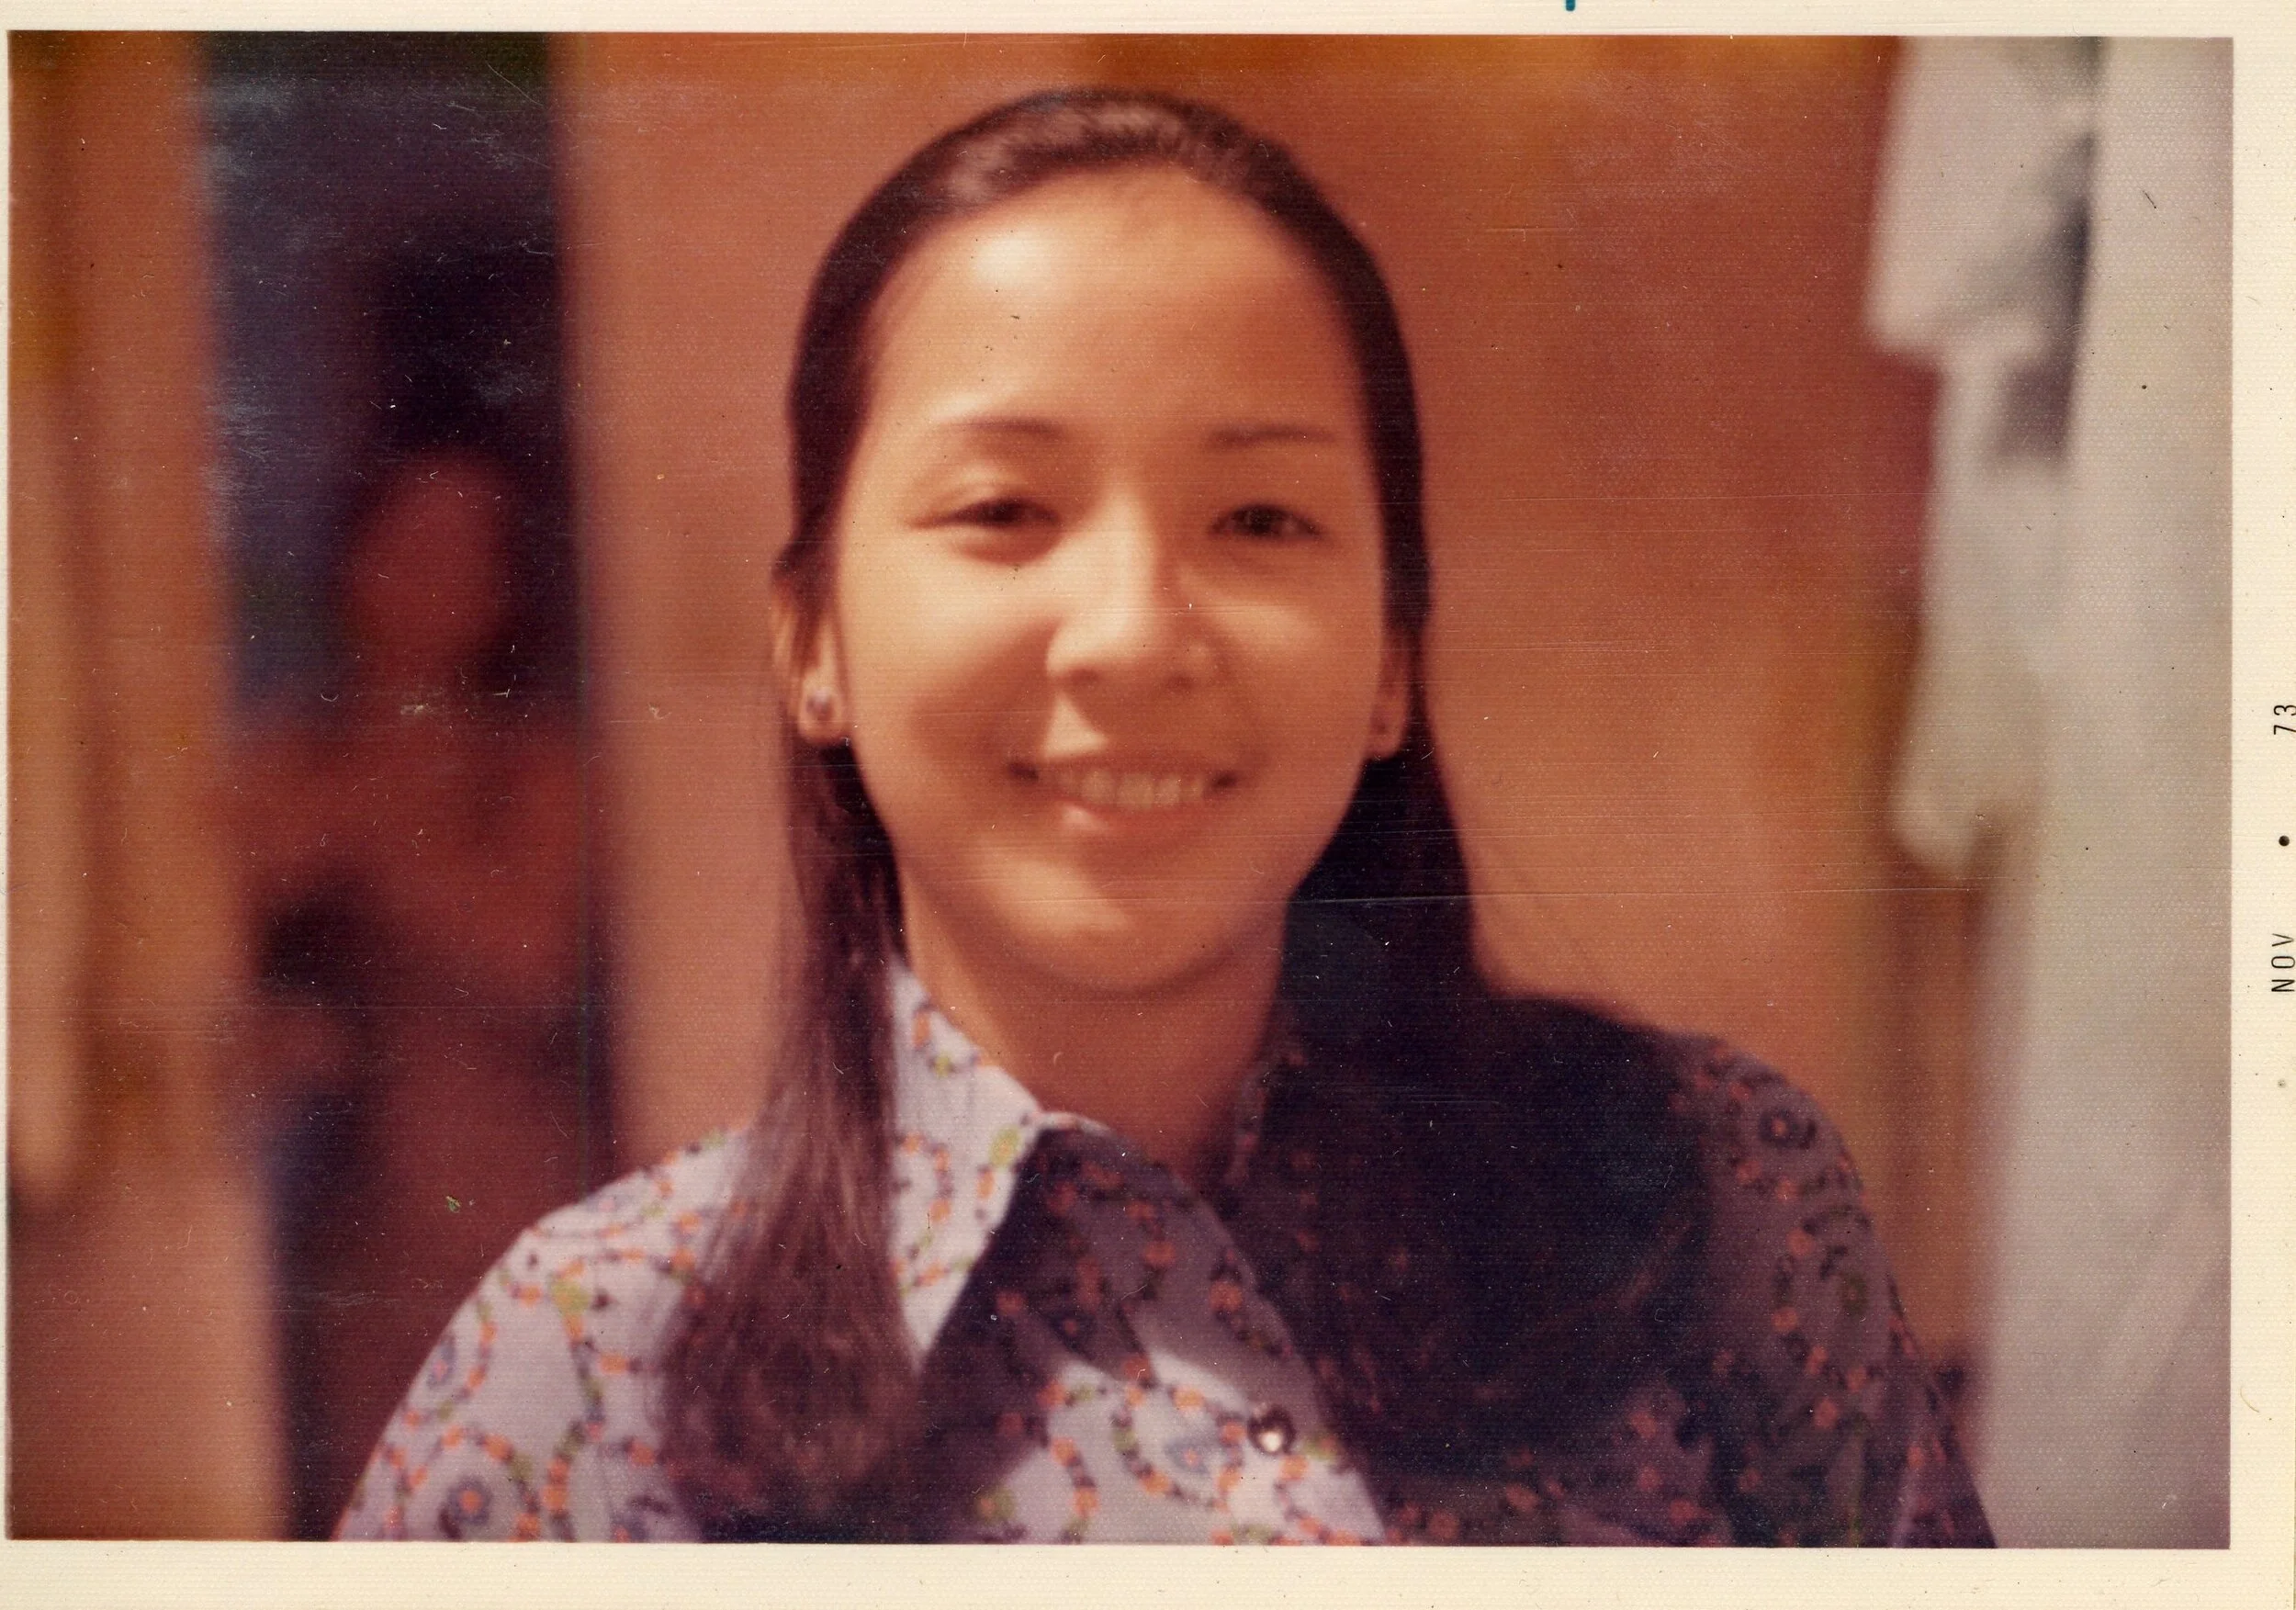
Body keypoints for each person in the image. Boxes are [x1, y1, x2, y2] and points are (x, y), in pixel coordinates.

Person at [337, 89, 1990, 1546]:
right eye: (1005, 508)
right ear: (815, 642)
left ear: (1392, 660)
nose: (1132, 634)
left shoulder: (1704, 1198)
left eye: (1259, 518)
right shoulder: (584, 1370)